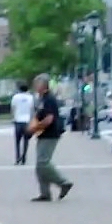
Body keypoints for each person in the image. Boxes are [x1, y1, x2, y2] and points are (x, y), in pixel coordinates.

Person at [28, 73, 73, 202]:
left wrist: (35, 128)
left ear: (43, 85)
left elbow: (49, 119)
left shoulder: (49, 99)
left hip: (50, 134)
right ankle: (45, 193)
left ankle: (63, 182)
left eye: (37, 83)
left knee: (43, 163)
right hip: (43, 134)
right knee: (40, 166)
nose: (35, 86)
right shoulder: (43, 98)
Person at [11, 83, 34, 165]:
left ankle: (17, 158)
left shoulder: (15, 97)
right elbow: (32, 109)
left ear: (19, 89)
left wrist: (13, 117)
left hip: (18, 120)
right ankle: (24, 157)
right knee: (26, 140)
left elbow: (13, 108)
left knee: (17, 141)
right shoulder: (30, 97)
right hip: (27, 121)